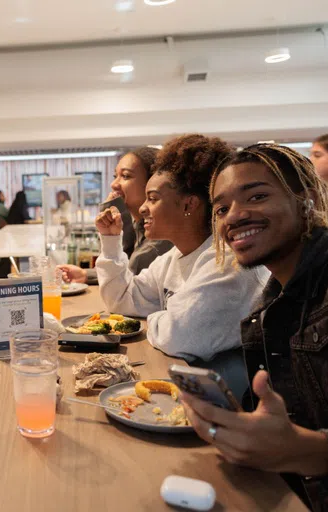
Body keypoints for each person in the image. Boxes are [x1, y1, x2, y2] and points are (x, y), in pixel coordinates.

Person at [183, 143, 328, 511]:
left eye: (257, 195)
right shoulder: (270, 303)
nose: (234, 216)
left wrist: (313, 452)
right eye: (222, 209)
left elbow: (306, 447)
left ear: (307, 197)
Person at [94, 134, 270, 397]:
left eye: (153, 198)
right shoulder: (174, 257)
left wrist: (161, 316)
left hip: (227, 408)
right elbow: (122, 300)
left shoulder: (228, 263)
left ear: (189, 204)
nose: (142, 208)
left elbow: (177, 336)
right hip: (192, 389)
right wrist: (110, 242)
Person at [61, 147, 173, 281]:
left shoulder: (159, 239)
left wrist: (115, 212)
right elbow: (120, 267)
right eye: (115, 176)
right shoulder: (139, 226)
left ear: (152, 183)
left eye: (125, 176)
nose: (114, 184)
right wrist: (86, 275)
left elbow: (123, 278)